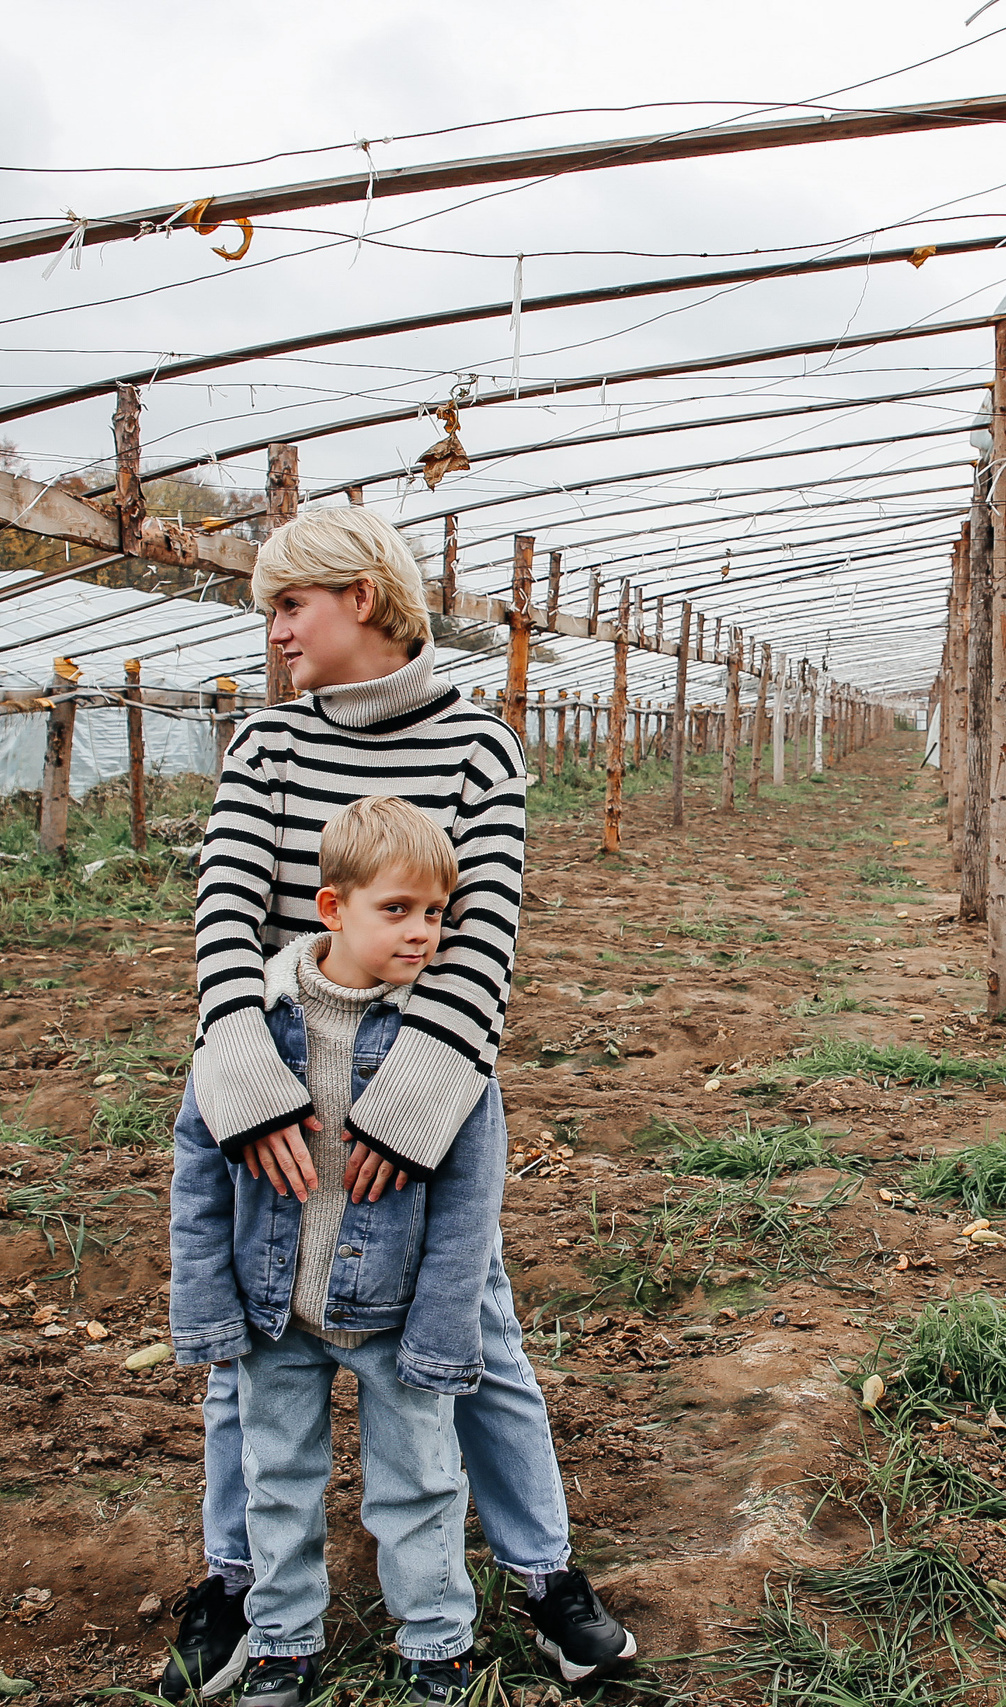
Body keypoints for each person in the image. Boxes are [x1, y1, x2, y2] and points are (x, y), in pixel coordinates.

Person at [158, 509, 633, 1701]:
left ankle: (542, 1575)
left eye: (289, 605)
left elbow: (479, 937)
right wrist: (246, 1085)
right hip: (281, 1071)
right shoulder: (266, 746)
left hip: (421, 1090)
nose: (275, 633)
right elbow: (225, 915)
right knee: (253, 1337)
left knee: (472, 1327)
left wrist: (412, 1109)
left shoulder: (477, 749)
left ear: (360, 596)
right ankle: (237, 1581)